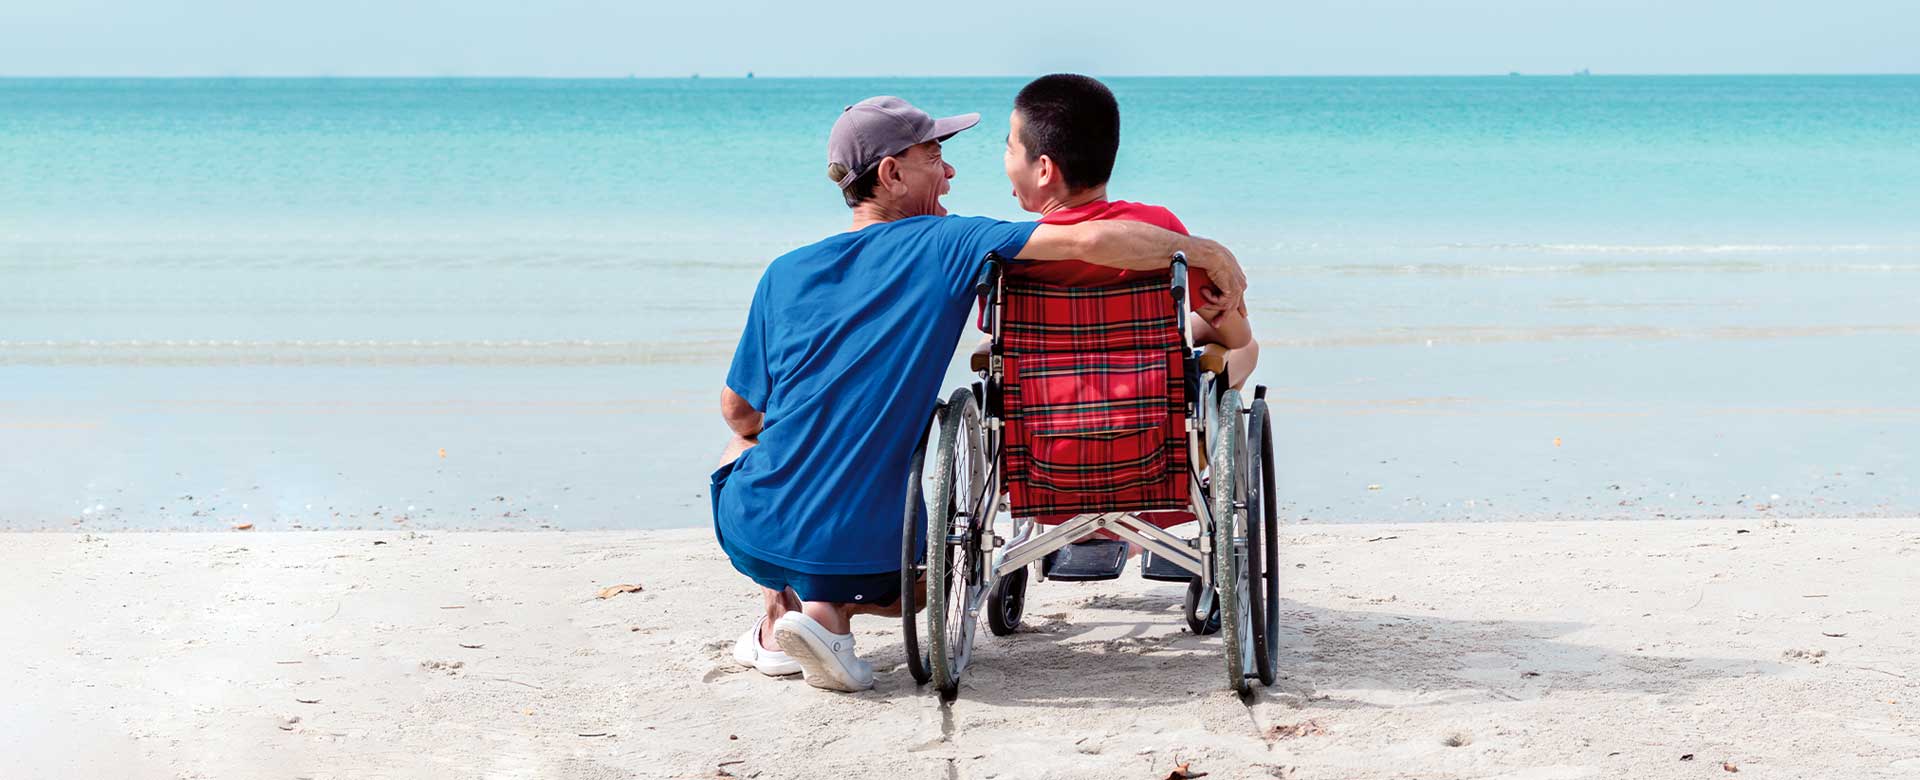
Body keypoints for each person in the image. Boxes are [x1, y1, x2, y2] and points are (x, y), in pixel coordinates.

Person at [715, 96, 1247, 692]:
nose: (950, 172)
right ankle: (822, 615)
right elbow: (1092, 241)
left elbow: (739, 410)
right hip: (886, 559)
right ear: (891, 175)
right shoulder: (949, 243)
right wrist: (1206, 252)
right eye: (935, 157)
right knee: (921, 577)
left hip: (758, 528)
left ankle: (787, 614)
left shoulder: (784, 271)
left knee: (741, 446)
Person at [1000, 73, 1258, 388]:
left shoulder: (1017, 251)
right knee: (1248, 348)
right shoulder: (1159, 231)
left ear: (1043, 169)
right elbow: (1237, 335)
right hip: (1151, 421)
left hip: (1043, 425)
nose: (1006, 160)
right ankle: (1201, 438)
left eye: (1010, 149)